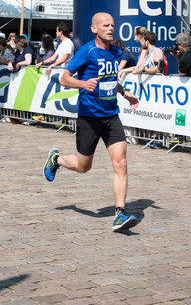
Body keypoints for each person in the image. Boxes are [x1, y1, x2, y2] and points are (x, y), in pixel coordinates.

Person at [43, 12, 140, 232]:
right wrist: (82, 83)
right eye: (105, 25)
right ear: (94, 28)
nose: (110, 28)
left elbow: (111, 80)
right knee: (83, 166)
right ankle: (56, 159)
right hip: (89, 117)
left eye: (112, 25)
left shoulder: (116, 52)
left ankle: (120, 213)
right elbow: (64, 77)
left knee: (121, 162)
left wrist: (125, 93)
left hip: (111, 115)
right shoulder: (86, 51)